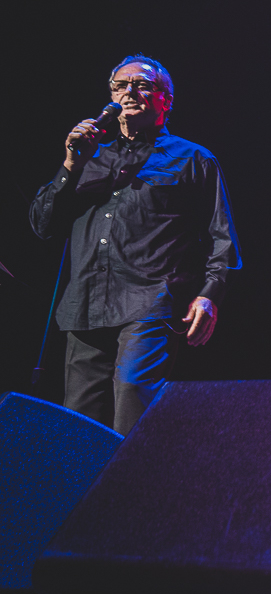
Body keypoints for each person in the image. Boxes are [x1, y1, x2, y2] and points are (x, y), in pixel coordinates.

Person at [29, 55, 240, 435]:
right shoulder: (89, 157)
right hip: (86, 305)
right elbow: (43, 225)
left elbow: (220, 236)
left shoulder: (192, 159)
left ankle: (133, 493)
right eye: (120, 85)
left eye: (142, 85)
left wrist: (210, 295)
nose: (129, 92)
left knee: (131, 394)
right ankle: (86, 496)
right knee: (79, 420)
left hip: (149, 301)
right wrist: (70, 164)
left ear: (166, 99)